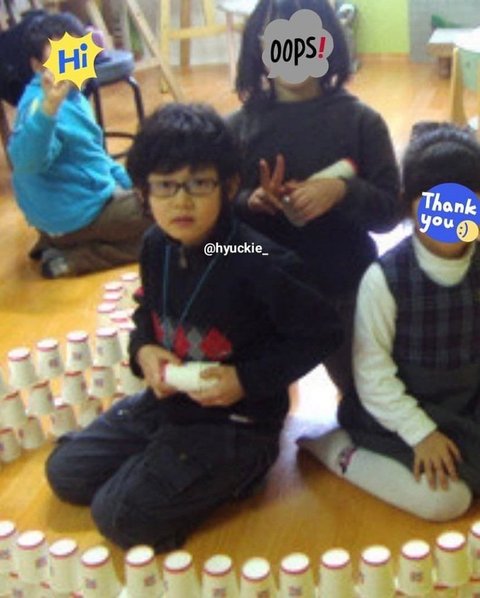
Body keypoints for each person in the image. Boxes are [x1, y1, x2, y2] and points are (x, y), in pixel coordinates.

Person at [45, 103, 342, 551]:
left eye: (199, 184)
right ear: (143, 192)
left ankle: (242, 471)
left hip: (238, 423)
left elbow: (323, 332)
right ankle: (163, 460)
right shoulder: (155, 244)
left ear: (229, 186)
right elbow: (146, 312)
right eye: (165, 186)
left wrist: (244, 379)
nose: (181, 201)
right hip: (170, 404)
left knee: (117, 516)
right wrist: (144, 349)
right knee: (65, 472)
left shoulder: (255, 259)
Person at [299, 123, 480, 521]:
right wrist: (422, 433)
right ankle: (337, 449)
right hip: (398, 414)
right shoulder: (385, 279)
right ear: (408, 205)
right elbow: (372, 375)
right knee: (445, 502)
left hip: (466, 406)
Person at [228, 0, 400, 397]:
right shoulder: (238, 129)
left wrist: (342, 191)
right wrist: (249, 201)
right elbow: (217, 216)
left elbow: (389, 212)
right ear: (258, 48)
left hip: (345, 288)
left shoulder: (361, 122)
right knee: (256, 410)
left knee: (366, 402)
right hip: (265, 294)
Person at [7, 12, 152, 278]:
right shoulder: (41, 105)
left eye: (77, 55)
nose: (72, 65)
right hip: (74, 215)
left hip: (68, 208)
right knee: (171, 221)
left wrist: (131, 182)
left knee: (156, 197)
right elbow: (27, 161)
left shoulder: (72, 95)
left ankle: (57, 242)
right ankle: (74, 257)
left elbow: (93, 154)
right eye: (60, 60)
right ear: (37, 66)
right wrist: (48, 111)